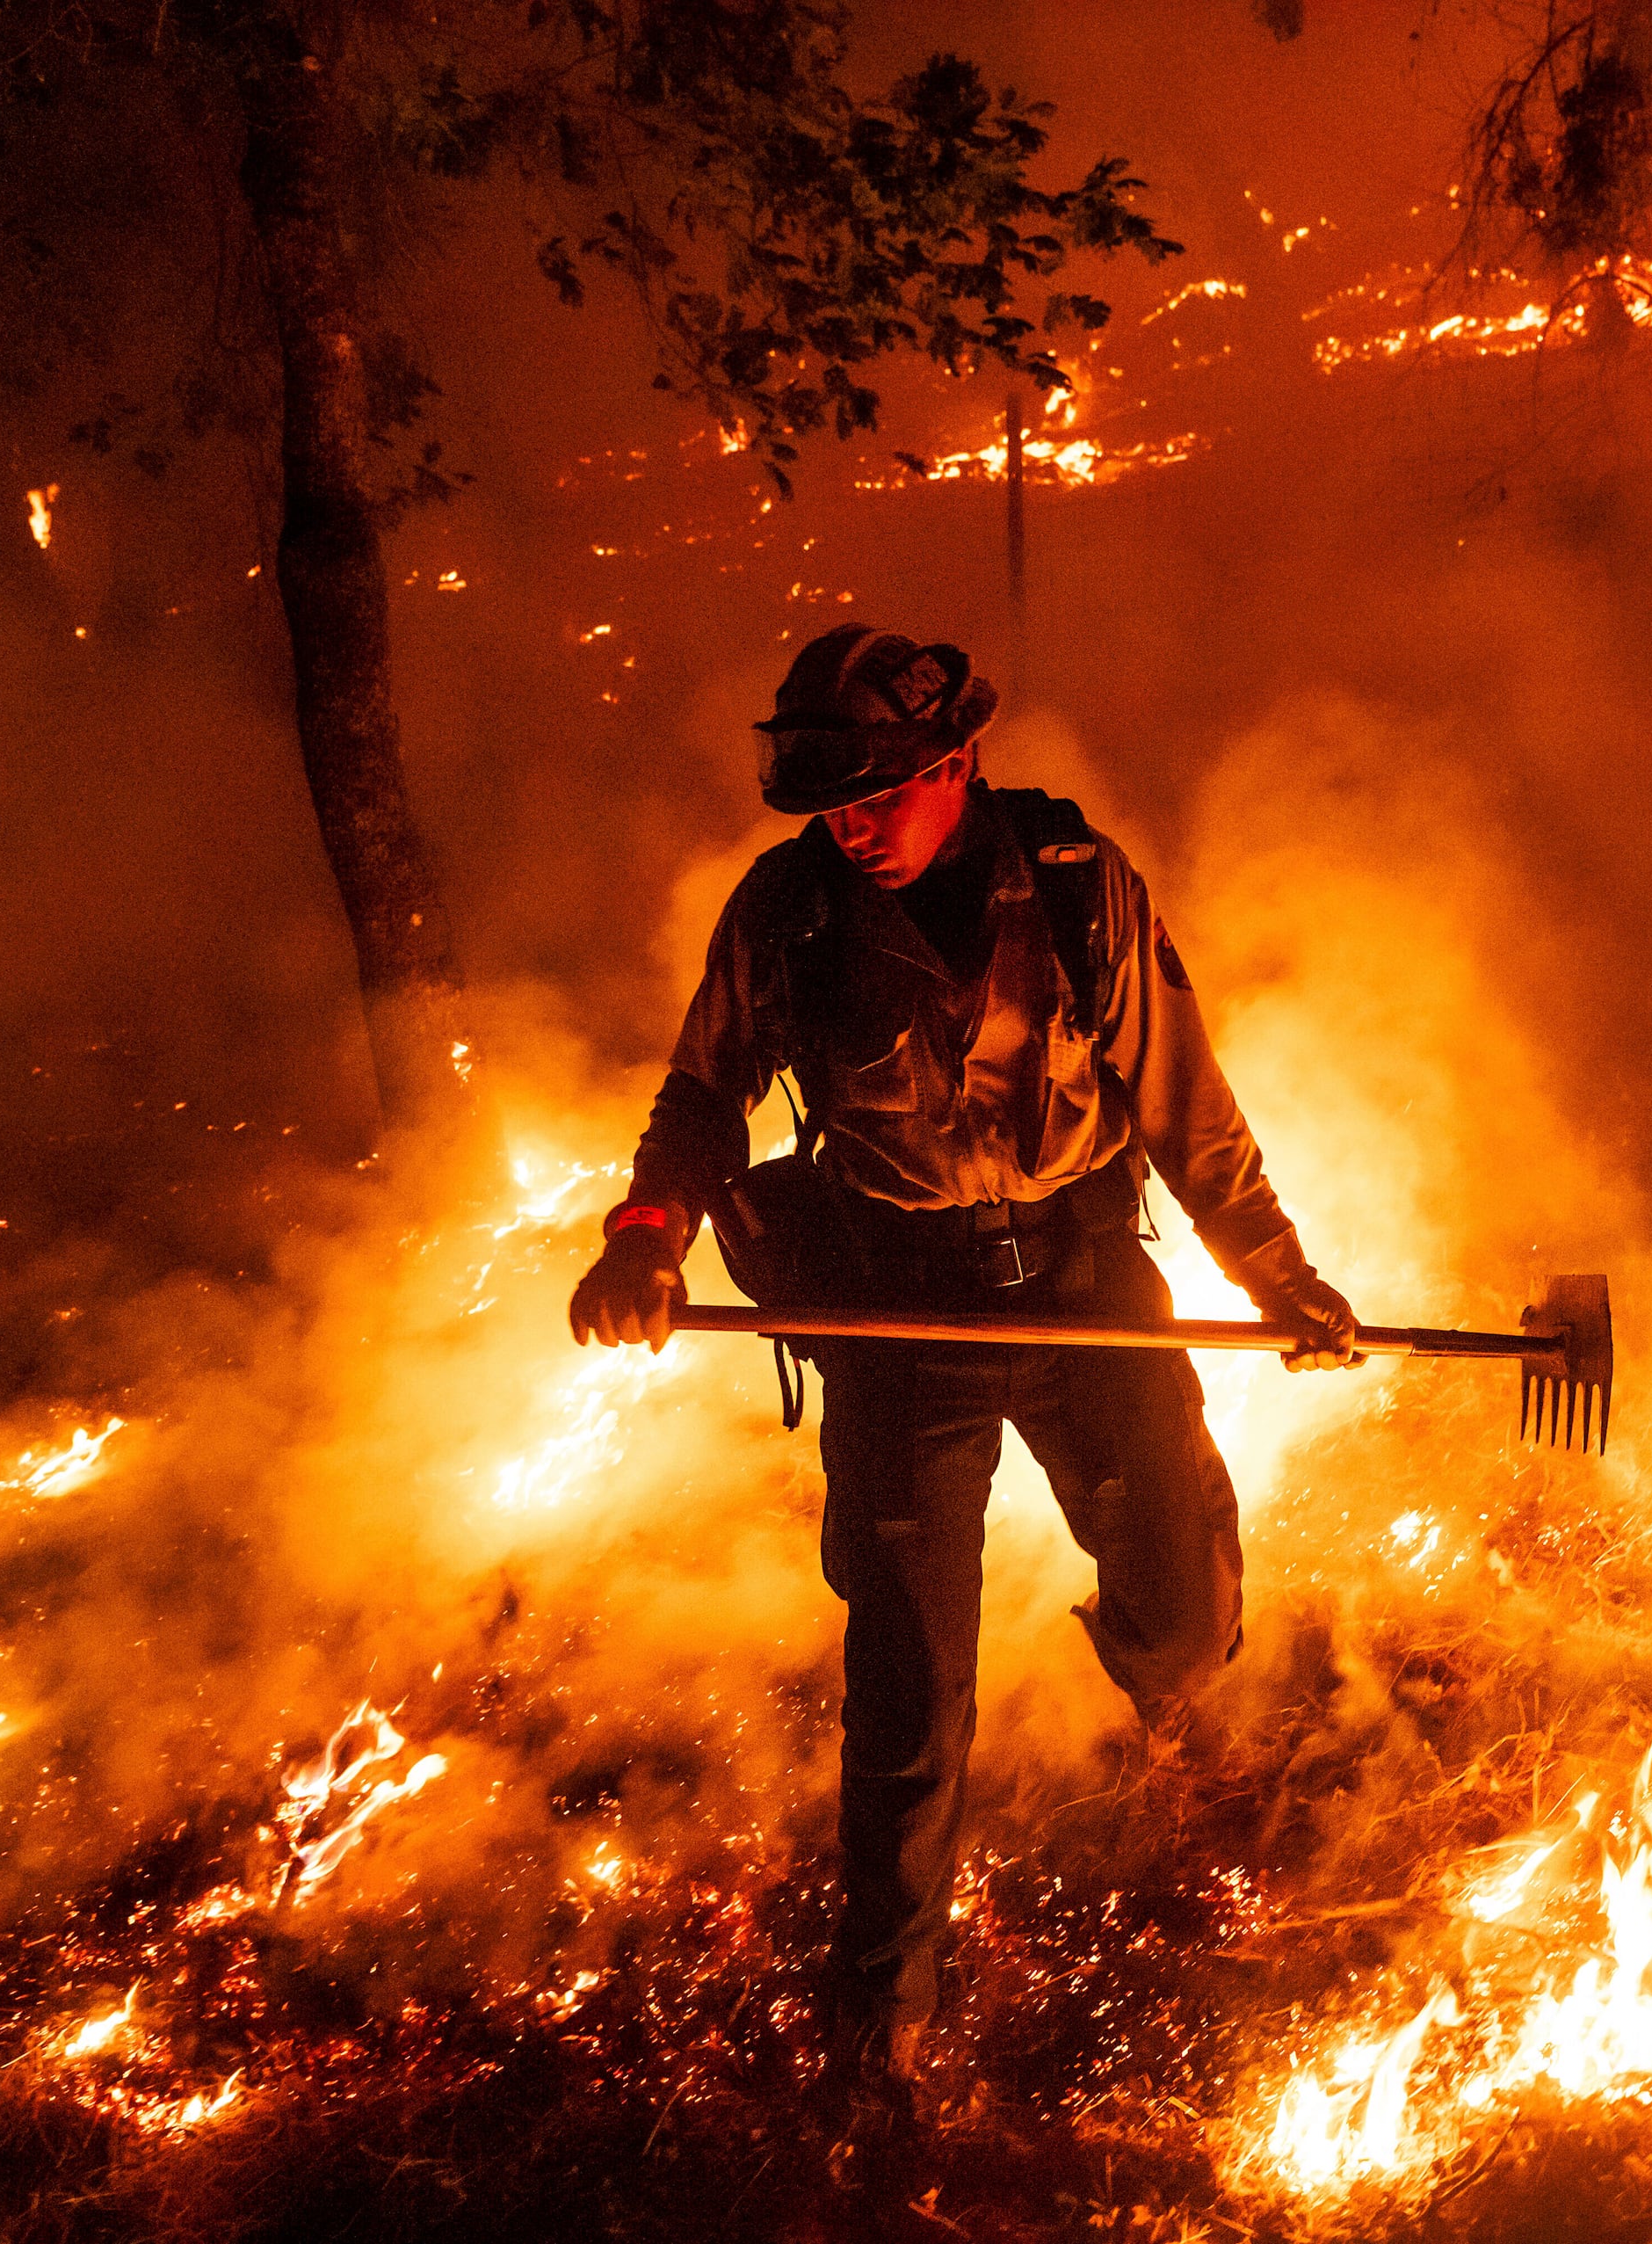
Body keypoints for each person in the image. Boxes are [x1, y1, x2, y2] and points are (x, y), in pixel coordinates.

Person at [568, 623, 1359, 2140]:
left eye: (878, 792)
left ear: (959, 762)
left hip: (1078, 1277)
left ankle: (1158, 1699)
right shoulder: (790, 910)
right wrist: (648, 1233)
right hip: (895, 1304)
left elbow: (1187, 1101)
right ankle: (878, 2040)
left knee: (1189, 1607)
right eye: (830, 800)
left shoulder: (1074, 888)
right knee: (909, 1701)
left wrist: (1281, 1275)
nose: (851, 825)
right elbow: (702, 1092)